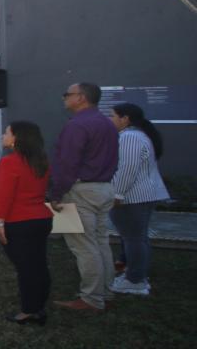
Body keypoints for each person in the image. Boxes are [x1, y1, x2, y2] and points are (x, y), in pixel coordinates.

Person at [49, 82, 119, 312]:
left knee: (83, 247)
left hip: (79, 191)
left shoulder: (77, 125)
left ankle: (91, 299)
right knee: (100, 242)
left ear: (81, 98)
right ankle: (105, 292)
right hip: (104, 188)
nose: (64, 98)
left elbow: (67, 164)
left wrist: (56, 194)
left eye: (67, 94)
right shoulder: (107, 124)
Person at [0, 121, 53, 325]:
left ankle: (30, 310)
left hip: (19, 222)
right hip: (40, 219)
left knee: (26, 268)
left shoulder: (11, 163)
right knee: (38, 264)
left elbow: (3, 195)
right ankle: (38, 305)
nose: (3, 136)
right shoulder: (40, 161)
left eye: (7, 132)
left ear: (17, 138)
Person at [108, 102, 171, 296]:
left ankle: (135, 280)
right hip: (139, 196)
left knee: (133, 238)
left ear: (125, 118)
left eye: (113, 116)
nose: (110, 120)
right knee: (138, 237)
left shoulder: (130, 137)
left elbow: (127, 169)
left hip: (133, 198)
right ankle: (135, 273)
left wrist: (117, 194)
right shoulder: (137, 135)